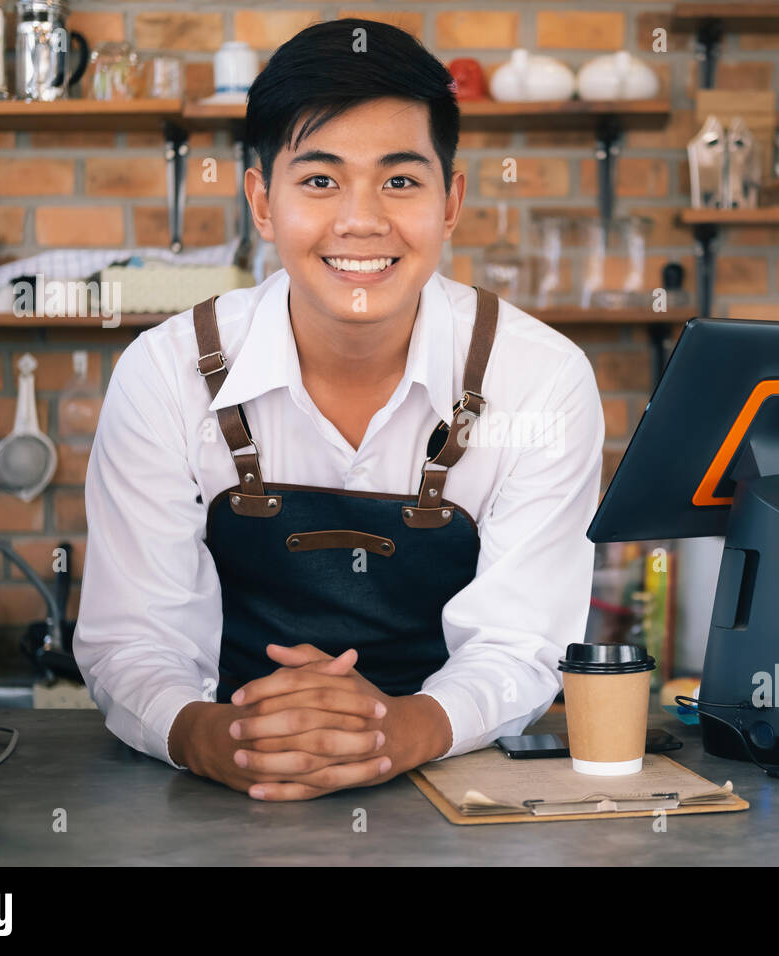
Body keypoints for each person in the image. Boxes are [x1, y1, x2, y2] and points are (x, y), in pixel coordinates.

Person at [73, 18, 604, 801]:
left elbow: (522, 641)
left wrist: (396, 731)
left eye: (400, 180)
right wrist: (215, 738)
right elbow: (133, 641)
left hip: (455, 793)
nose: (362, 220)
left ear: (450, 201)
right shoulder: (164, 374)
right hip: (228, 792)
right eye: (320, 180)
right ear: (262, 200)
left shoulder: (542, 380)